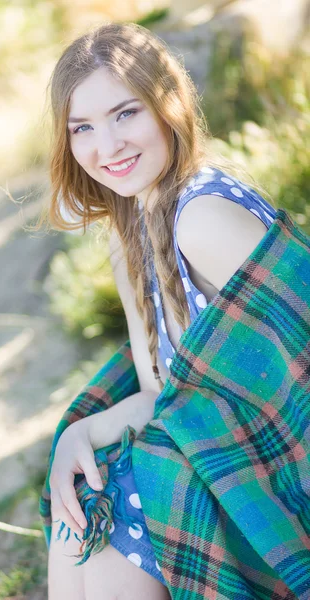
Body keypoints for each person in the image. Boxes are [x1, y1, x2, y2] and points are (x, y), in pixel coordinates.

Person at [36, 21, 279, 599]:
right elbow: (161, 393)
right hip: (224, 460)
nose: (108, 145)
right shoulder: (131, 237)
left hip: (277, 479)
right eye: (83, 128)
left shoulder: (204, 219)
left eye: (126, 114)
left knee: (123, 499)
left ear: (168, 105)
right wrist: (79, 434)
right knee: (86, 509)